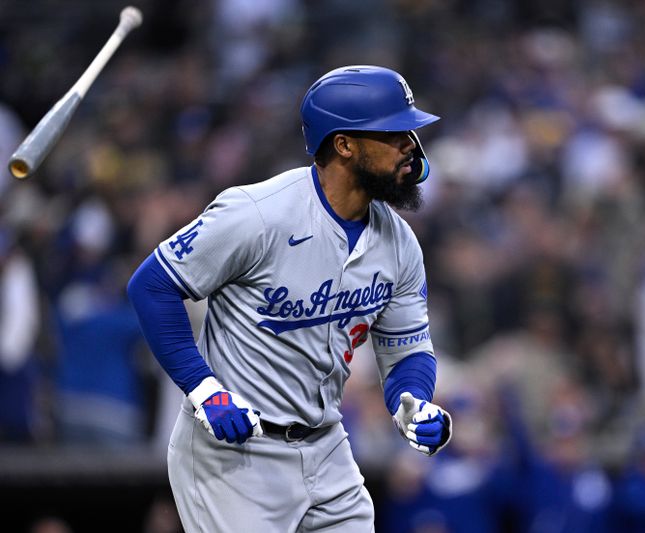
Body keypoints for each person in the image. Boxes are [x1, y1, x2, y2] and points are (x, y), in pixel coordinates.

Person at [127, 65, 453, 532]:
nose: (411, 147)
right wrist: (203, 389)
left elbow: (407, 351)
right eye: (394, 133)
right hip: (236, 455)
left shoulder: (399, 242)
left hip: (327, 445)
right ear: (344, 145)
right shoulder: (259, 213)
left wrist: (412, 400)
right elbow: (152, 285)